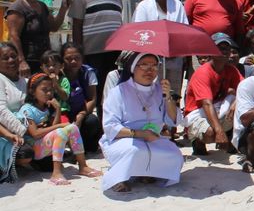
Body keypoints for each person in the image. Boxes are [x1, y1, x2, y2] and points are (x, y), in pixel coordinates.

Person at [100, 53, 184, 193]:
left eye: (154, 66)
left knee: (175, 155)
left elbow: (172, 121)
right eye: (144, 65)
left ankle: (146, 173)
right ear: (133, 68)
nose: (149, 70)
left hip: (153, 139)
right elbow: (110, 127)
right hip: (125, 139)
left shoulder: (159, 90)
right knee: (133, 151)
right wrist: (140, 134)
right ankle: (120, 177)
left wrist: (168, 97)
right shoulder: (118, 92)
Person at [17, 73, 99, 185]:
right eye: (44, 90)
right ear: (32, 91)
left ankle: (83, 166)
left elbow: (52, 128)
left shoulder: (47, 106)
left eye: (50, 90)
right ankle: (56, 173)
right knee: (61, 131)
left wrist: (58, 109)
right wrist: (59, 125)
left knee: (73, 127)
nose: (49, 93)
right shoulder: (27, 109)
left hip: (45, 144)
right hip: (34, 147)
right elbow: (35, 133)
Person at [69, 0, 123, 99]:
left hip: (115, 53)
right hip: (92, 53)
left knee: (114, 91)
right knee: (96, 92)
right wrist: (79, 52)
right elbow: (77, 25)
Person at [4, 0, 70, 76]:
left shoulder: (42, 6)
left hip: (44, 62)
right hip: (28, 64)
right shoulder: (18, 8)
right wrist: (21, 61)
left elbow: (54, 27)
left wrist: (63, 8)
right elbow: (14, 36)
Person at [132, 0, 189, 95]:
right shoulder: (144, 6)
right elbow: (139, 32)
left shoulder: (177, 4)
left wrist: (175, 50)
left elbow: (184, 28)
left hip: (174, 57)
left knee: (173, 94)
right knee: (153, 93)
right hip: (152, 59)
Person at [183, 39, 244, 156]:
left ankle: (231, 139)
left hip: (218, 109)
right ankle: (198, 140)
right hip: (197, 114)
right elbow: (206, 103)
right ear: (210, 51)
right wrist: (219, 131)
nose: (224, 51)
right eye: (219, 48)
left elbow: (246, 89)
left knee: (241, 105)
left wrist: (236, 101)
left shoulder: (231, 70)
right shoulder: (203, 72)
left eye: (226, 48)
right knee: (212, 133)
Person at [60, 43, 102, 152]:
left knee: (92, 121)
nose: (73, 61)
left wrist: (81, 116)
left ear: (82, 58)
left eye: (77, 58)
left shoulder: (88, 73)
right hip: (62, 113)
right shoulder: (57, 74)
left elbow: (93, 99)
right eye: (69, 59)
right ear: (62, 60)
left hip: (81, 110)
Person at [0, 43, 29, 183]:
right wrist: (23, 131)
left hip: (27, 131)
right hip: (6, 132)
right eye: (5, 58)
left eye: (13, 56)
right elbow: (1, 111)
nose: (11, 60)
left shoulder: (26, 82)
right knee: (26, 154)